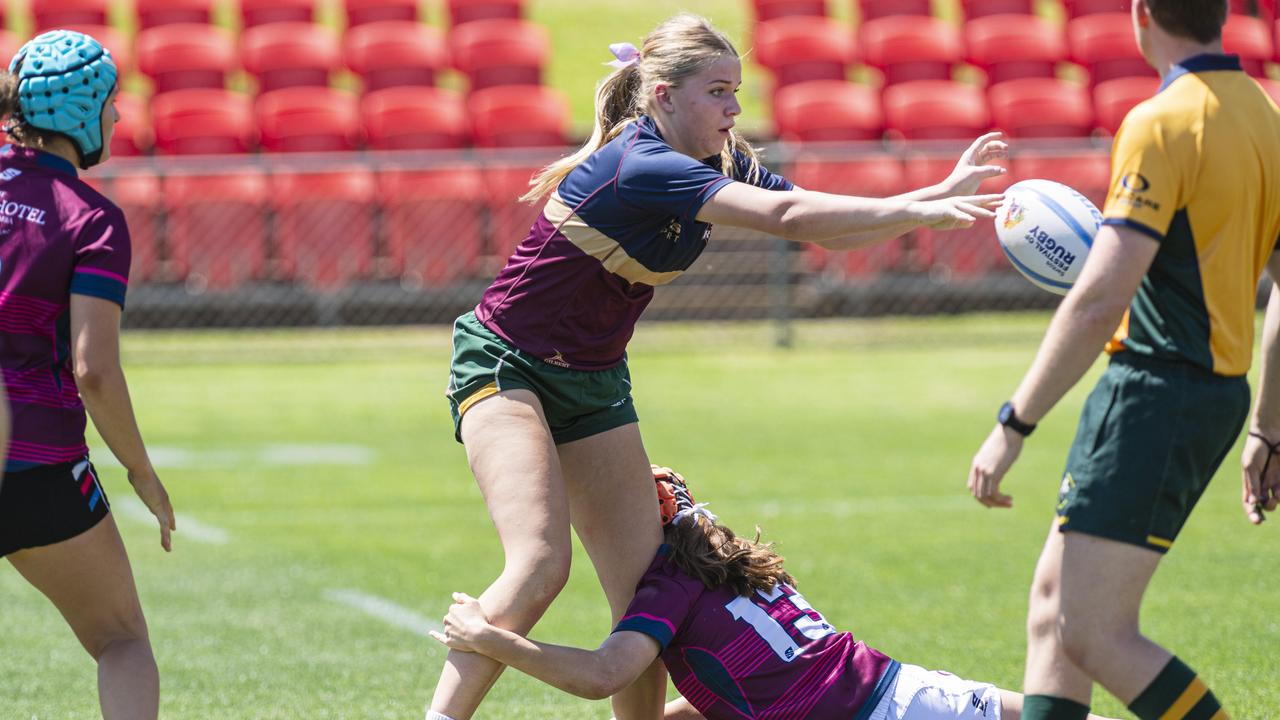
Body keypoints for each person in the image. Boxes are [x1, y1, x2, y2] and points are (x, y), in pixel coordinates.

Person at [435, 13, 1008, 720]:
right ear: (664, 97)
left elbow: (821, 221)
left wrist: (930, 195)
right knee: (540, 564)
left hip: (595, 381)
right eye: (718, 92)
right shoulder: (641, 163)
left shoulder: (721, 158)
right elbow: (793, 217)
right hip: (506, 362)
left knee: (636, 591)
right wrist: (920, 209)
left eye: (737, 91)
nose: (735, 109)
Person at [965, 1, 1280, 718]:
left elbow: (1102, 295)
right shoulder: (1264, 115)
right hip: (1208, 395)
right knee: (1052, 613)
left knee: (1091, 632)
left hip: (1155, 390)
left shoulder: (1160, 121)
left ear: (1141, 14)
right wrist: (1266, 424)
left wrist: (1014, 422)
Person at [432, 466, 1119, 720]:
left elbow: (602, 676)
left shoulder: (667, 585)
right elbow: (764, 677)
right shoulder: (722, 554)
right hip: (902, 689)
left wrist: (489, 638)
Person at [0, 30, 175, 720]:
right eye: (110, 103)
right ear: (81, 113)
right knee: (122, 641)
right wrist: (141, 472)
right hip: (37, 465)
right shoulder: (92, 219)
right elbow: (93, 368)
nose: (117, 118)